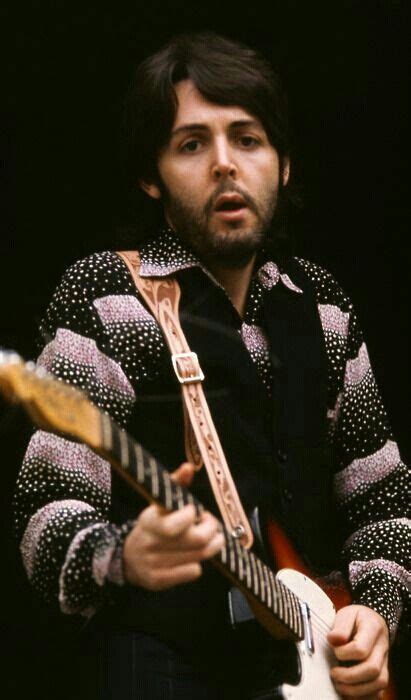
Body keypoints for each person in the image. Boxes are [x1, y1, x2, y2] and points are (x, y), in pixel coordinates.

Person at [14, 33, 408, 699]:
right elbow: (45, 514)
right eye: (191, 144)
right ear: (151, 175)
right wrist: (118, 555)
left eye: (247, 139)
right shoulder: (106, 296)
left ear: (283, 165)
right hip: (162, 663)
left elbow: (384, 500)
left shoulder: (323, 306)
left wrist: (374, 613)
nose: (224, 165)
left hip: (311, 670)